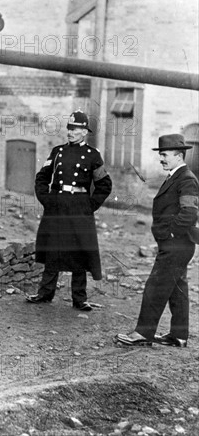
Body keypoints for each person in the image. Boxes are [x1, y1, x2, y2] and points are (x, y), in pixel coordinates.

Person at [116, 134, 198, 347]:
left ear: (179, 156)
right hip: (179, 244)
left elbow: (190, 213)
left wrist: (170, 233)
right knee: (177, 288)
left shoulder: (186, 179)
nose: (161, 158)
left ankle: (143, 334)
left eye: (164, 155)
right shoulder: (175, 176)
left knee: (156, 285)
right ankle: (179, 336)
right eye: (160, 154)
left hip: (176, 244)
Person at [26, 110, 112, 311]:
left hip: (79, 207)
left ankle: (79, 299)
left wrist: (89, 206)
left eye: (76, 129)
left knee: (79, 251)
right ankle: (45, 293)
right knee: (52, 249)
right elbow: (42, 177)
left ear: (84, 132)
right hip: (57, 205)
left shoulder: (93, 155)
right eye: (70, 128)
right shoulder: (57, 152)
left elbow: (105, 185)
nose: (71, 132)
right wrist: (46, 199)